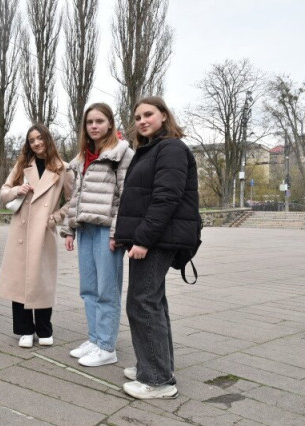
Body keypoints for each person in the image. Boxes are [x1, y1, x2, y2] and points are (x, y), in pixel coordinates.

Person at [114, 96, 199, 399]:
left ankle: (157, 381)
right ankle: (154, 365)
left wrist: (142, 240)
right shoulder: (152, 149)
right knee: (153, 302)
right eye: (137, 117)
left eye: (148, 114)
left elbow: (166, 198)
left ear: (164, 115)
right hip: (154, 237)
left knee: (142, 303)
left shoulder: (171, 148)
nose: (142, 121)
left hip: (157, 239)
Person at [62, 103, 134, 367]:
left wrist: (117, 233)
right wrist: (69, 228)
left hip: (106, 231)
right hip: (85, 229)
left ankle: (106, 346)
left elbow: (126, 197)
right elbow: (76, 196)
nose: (94, 126)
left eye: (99, 121)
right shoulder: (83, 157)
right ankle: (94, 339)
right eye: (89, 122)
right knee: (89, 289)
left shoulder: (122, 154)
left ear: (110, 123)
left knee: (107, 290)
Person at [0, 123, 73, 348]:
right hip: (21, 228)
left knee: (42, 279)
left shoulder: (63, 168)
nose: (37, 143)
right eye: (32, 140)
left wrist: (55, 218)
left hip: (44, 230)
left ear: (48, 139)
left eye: (40, 138)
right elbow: (3, 192)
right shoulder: (22, 165)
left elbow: (73, 200)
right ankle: (24, 329)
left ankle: (44, 328)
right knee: (19, 279)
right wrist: (16, 190)